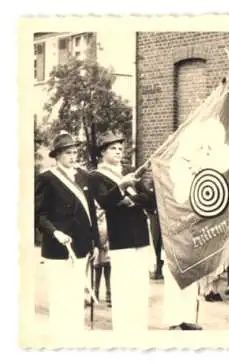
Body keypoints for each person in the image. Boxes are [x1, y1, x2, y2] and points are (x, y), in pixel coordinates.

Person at [89, 130, 155, 333]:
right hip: (121, 238)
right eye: (112, 148)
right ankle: (123, 330)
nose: (118, 152)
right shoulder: (96, 176)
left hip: (141, 236)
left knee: (140, 287)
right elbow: (105, 201)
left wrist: (129, 200)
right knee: (123, 287)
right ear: (102, 153)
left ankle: (139, 329)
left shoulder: (131, 171)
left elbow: (150, 200)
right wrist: (122, 187)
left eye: (120, 148)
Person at [35, 131, 99, 334]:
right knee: (59, 296)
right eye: (68, 153)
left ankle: (75, 337)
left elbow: (91, 213)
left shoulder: (83, 177)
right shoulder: (46, 178)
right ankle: (58, 339)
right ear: (57, 156)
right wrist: (55, 233)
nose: (73, 156)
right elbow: (38, 215)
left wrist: (95, 243)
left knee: (75, 295)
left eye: (74, 152)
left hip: (80, 246)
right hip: (57, 247)